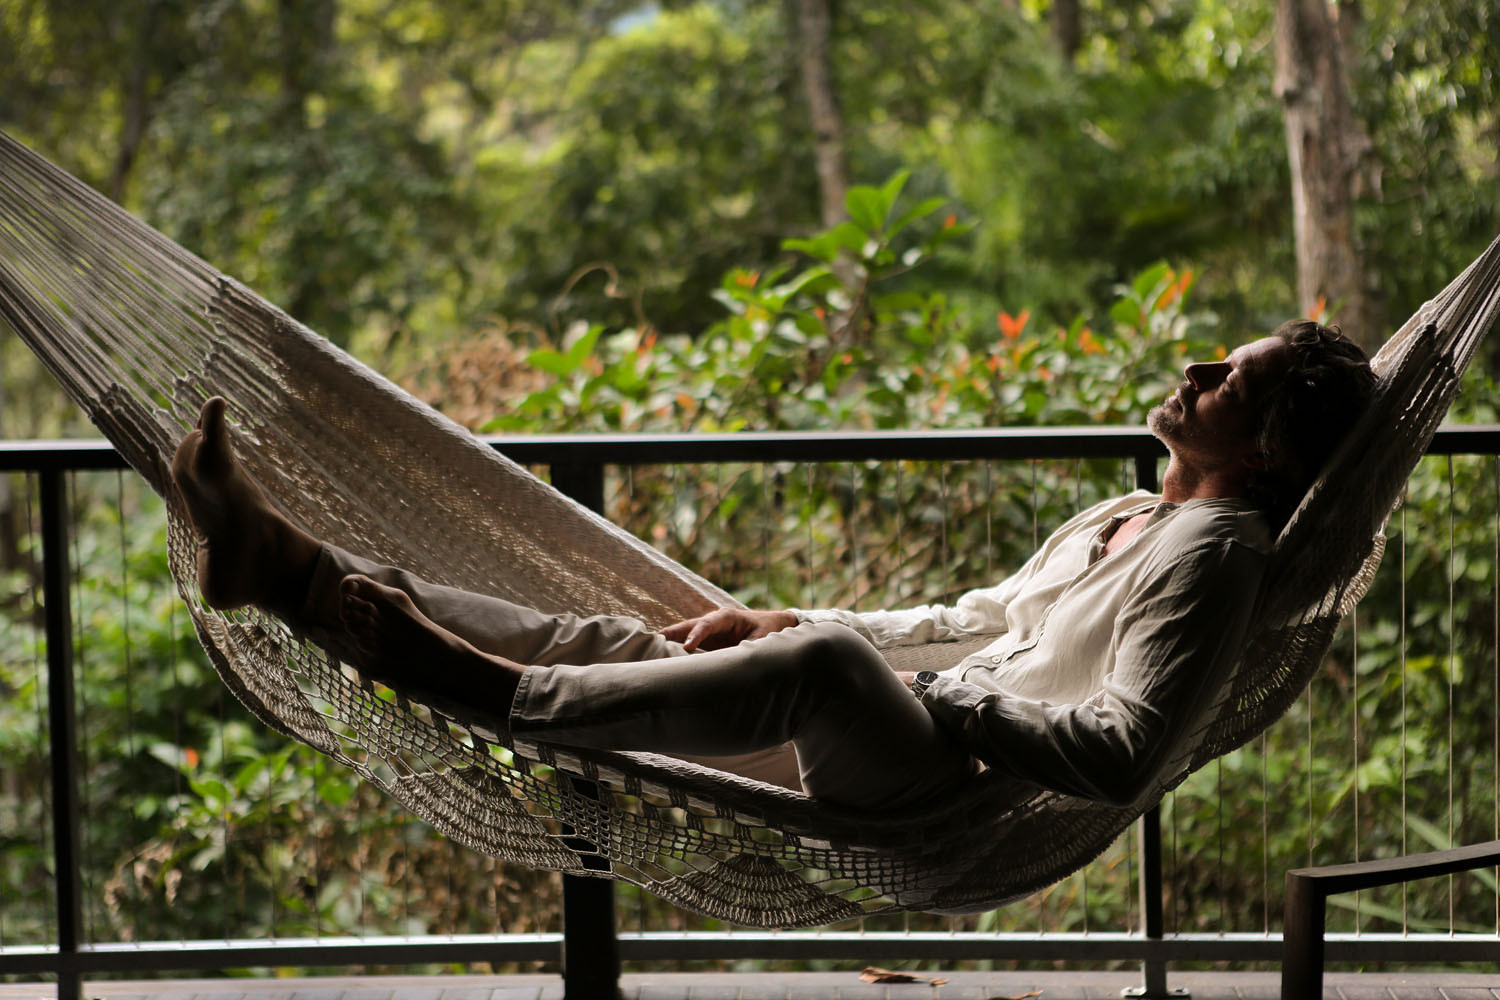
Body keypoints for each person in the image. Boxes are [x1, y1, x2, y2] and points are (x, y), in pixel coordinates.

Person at [171, 320, 1374, 812]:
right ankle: (285, 563)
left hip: (950, 799)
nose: (1199, 368)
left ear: (1268, 446)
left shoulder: (1220, 551)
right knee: (626, 644)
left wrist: (925, 694)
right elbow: (975, 616)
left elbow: (1124, 755)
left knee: (827, 668)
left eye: (1234, 376)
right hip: (913, 724)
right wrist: (790, 617)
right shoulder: (1126, 513)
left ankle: (498, 696)